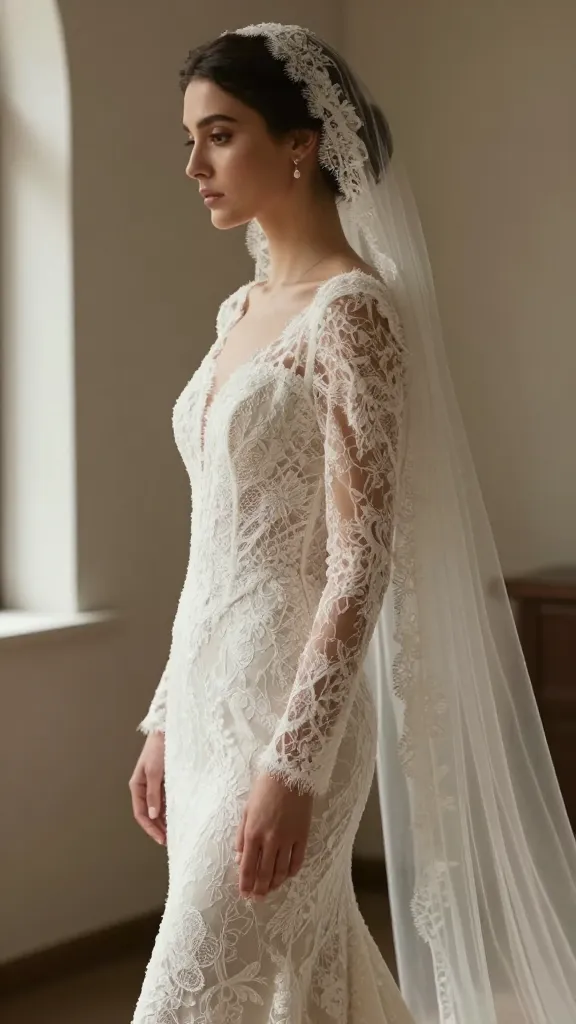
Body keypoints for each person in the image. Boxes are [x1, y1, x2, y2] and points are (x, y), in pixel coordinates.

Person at [129, 22, 576, 1024]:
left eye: (220, 134)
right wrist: (165, 714)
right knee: (301, 974)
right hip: (208, 706)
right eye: (191, 138)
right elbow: (218, 543)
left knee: (192, 994)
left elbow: (360, 563)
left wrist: (294, 764)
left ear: (300, 143)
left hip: (289, 721)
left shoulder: (352, 314)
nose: (193, 163)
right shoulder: (239, 310)